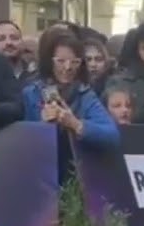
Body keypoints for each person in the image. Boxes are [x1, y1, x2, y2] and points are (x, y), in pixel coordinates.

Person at [22, 29, 118, 184]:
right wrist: (41, 125)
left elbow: (111, 135)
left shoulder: (85, 95)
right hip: (37, 176)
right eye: (61, 61)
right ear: (50, 61)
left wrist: (75, 124)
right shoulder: (31, 93)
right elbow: (19, 139)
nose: (68, 67)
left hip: (73, 175)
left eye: (75, 62)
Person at [0, 20, 35, 84]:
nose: (9, 42)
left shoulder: (35, 74)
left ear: (22, 42)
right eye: (1, 39)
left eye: (14, 38)